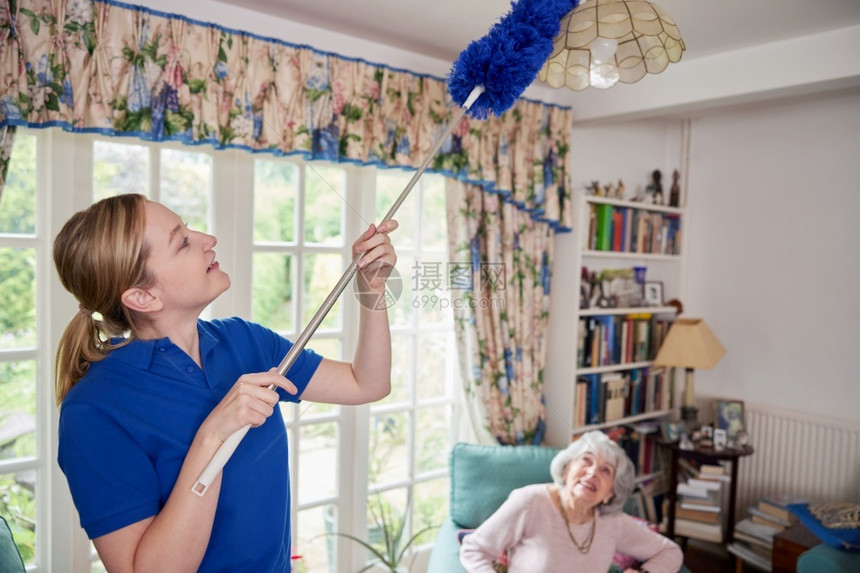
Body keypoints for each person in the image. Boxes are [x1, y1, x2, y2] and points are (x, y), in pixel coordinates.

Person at [53, 193, 398, 572]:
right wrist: (213, 434)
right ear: (143, 296)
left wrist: (373, 290)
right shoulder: (94, 411)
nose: (207, 239)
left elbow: (366, 383)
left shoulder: (245, 342)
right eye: (182, 241)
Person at [460, 431, 683, 572]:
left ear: (611, 493)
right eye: (587, 460)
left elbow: (671, 553)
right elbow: (474, 549)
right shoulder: (530, 502)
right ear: (567, 470)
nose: (593, 472)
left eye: (606, 470)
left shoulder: (613, 522)